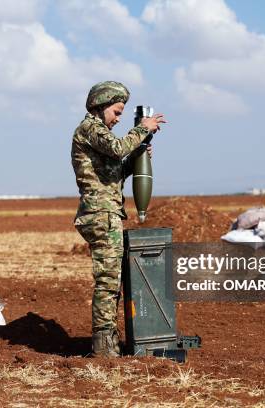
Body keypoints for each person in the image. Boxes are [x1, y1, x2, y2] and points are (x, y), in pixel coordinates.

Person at [71, 81, 166, 357]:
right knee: (108, 282)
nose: (118, 118)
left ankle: (108, 343)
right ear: (101, 107)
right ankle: (103, 349)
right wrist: (142, 130)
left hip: (107, 213)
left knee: (112, 282)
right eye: (116, 111)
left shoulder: (97, 132)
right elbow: (116, 148)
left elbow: (113, 171)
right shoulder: (90, 128)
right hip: (100, 215)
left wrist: (137, 155)